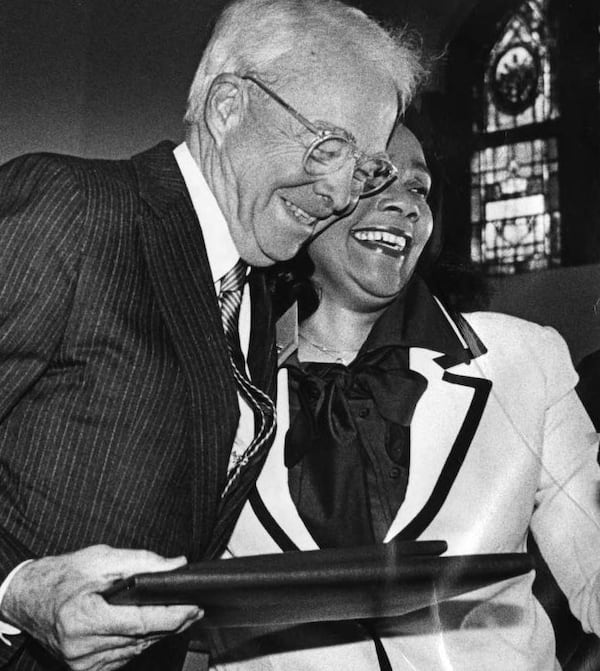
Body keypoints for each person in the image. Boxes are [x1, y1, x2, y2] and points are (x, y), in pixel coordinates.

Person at [0, 1, 426, 669]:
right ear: (228, 106)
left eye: (364, 167)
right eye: (328, 146)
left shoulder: (250, 290)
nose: (343, 192)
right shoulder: (72, 211)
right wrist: (13, 594)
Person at [208, 124, 600, 670]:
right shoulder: (213, 380)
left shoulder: (524, 360)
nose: (405, 205)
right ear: (303, 199)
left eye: (419, 188)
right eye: (374, 176)